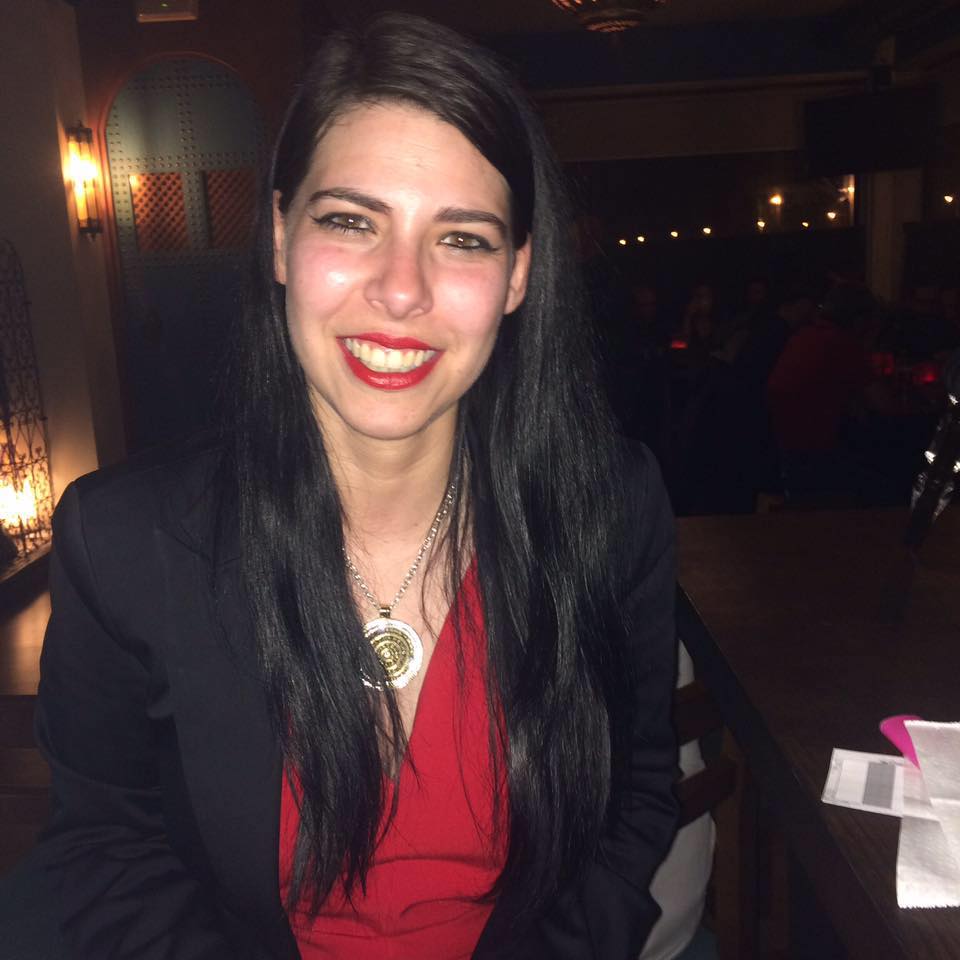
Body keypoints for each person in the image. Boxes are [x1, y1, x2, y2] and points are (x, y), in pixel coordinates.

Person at [31, 13, 678, 960]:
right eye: (350, 221)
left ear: (517, 276)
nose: (401, 288)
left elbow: (635, 795)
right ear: (279, 239)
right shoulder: (123, 541)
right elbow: (104, 849)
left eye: (463, 239)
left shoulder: (613, 508)